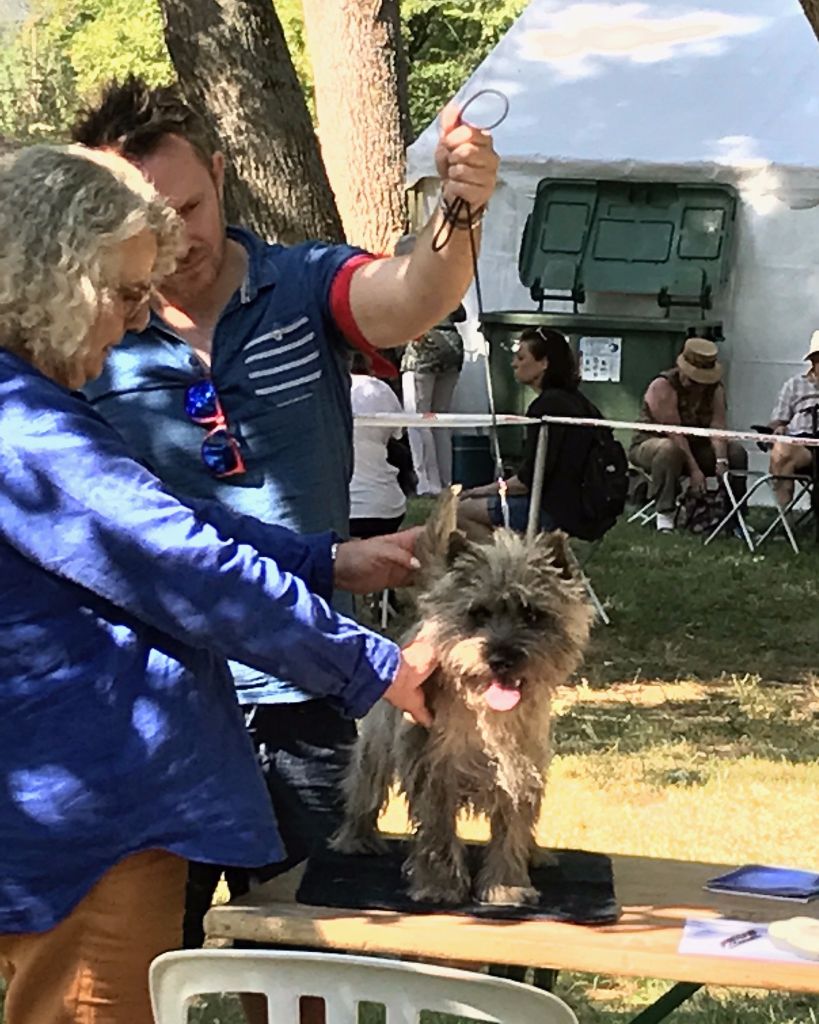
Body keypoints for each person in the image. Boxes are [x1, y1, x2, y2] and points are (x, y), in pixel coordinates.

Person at [0, 144, 437, 1024]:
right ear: (52, 277)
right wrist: (372, 665)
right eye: (123, 295)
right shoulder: (23, 428)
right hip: (91, 831)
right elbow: (177, 560)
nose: (130, 324)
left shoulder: (35, 409)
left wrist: (325, 560)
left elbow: (164, 518)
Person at [71, 75, 498, 944]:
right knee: (142, 959)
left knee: (312, 951)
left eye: (188, 205)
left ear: (221, 175)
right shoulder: (85, 334)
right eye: (145, 217)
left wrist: (457, 210)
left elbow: (413, 293)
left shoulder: (302, 282)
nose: (176, 237)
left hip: (308, 682)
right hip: (152, 702)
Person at [458, 328, 599, 539]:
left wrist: (479, 491)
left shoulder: (545, 407)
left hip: (555, 511)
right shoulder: (581, 403)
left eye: (521, 357)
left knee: (460, 511)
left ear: (544, 363)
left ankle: (506, 561)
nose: (514, 363)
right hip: (588, 507)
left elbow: (527, 481)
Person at [629, 337, 747, 532]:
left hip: (697, 444)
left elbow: (717, 426)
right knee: (668, 449)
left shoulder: (715, 389)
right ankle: (664, 513)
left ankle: (734, 514)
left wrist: (721, 461)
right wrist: (695, 471)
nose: (698, 385)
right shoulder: (662, 386)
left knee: (736, 452)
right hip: (652, 443)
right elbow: (674, 432)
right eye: (694, 379)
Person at [397, 235, 467, 496]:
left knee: (418, 418)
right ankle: (447, 482)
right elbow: (461, 313)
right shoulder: (443, 276)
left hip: (423, 345)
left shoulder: (407, 278)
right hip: (453, 344)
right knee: (441, 418)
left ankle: (427, 482)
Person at [349, 352, 408, 540]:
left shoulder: (324, 392)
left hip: (339, 508)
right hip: (386, 506)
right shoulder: (381, 389)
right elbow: (398, 433)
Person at [766, 330, 819, 507]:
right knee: (781, 452)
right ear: (813, 361)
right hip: (802, 444)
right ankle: (784, 523)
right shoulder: (794, 385)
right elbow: (778, 421)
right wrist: (778, 429)